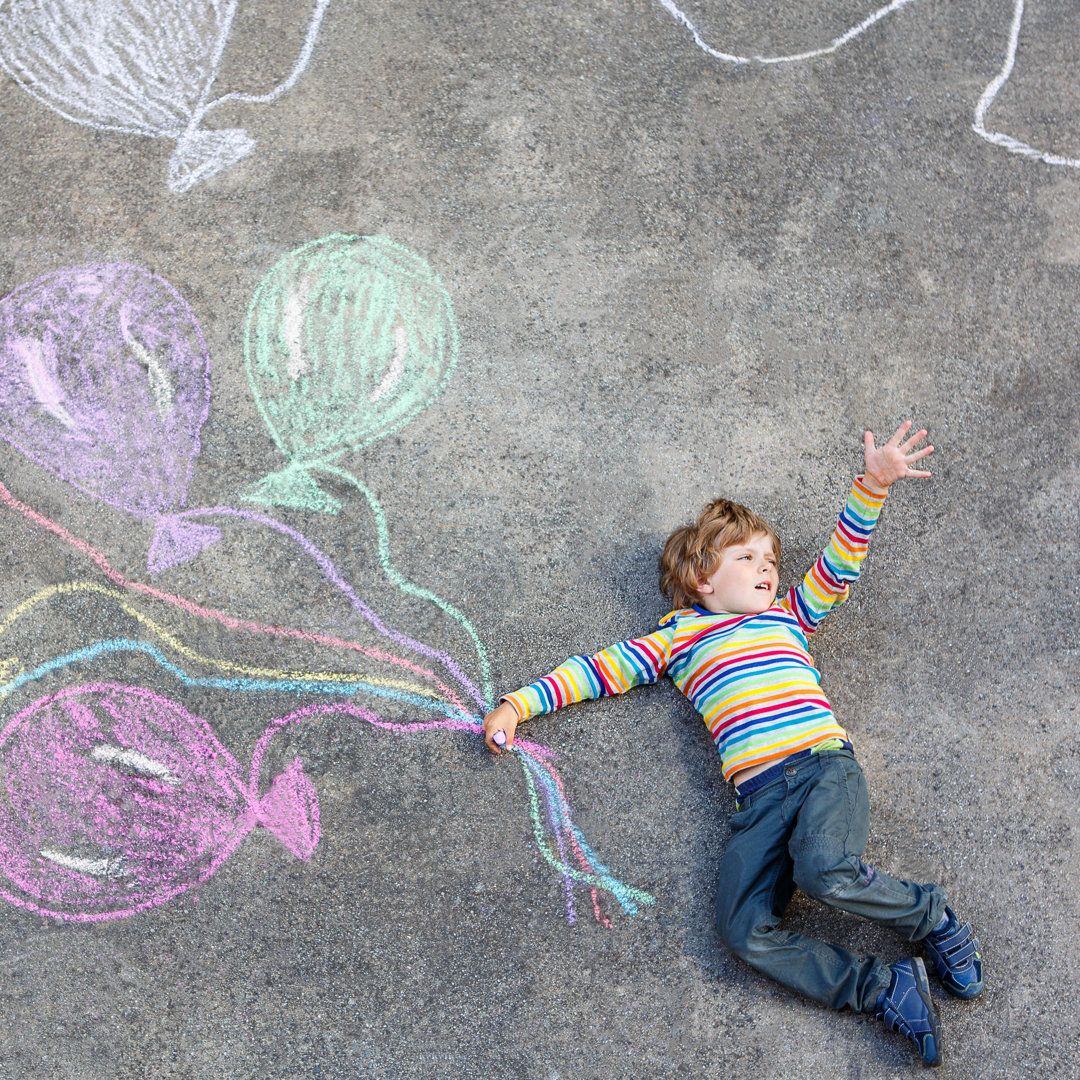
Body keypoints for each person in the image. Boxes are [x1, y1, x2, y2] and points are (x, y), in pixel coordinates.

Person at [482, 421, 983, 1068]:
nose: (767, 569)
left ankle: (930, 917)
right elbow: (593, 671)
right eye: (746, 558)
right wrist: (518, 704)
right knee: (743, 931)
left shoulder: (789, 616)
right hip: (758, 802)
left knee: (824, 869)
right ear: (701, 581)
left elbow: (838, 564)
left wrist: (873, 485)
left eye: (770, 559)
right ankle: (886, 988)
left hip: (822, 770)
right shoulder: (675, 641)